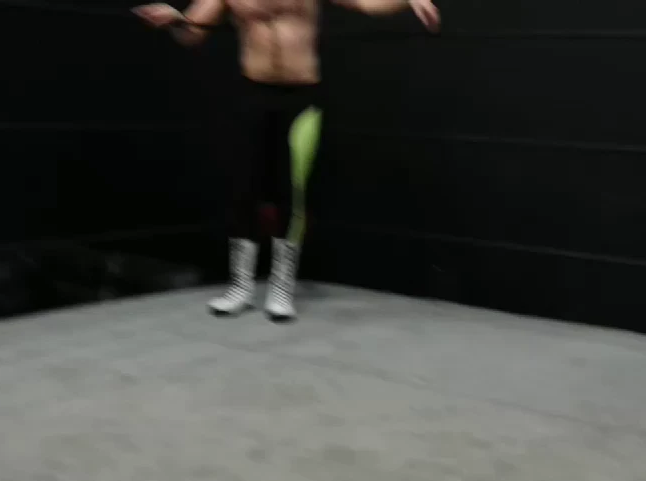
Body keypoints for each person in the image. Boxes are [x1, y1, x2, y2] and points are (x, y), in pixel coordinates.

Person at [134, 0, 441, 321]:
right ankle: (240, 287)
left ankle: (281, 288)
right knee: (244, 188)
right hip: (252, 93)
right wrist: (174, 20)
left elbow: (368, 4)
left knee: (292, 193)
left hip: (301, 95)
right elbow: (193, 33)